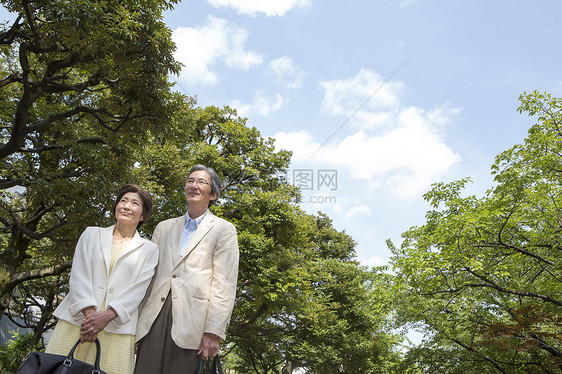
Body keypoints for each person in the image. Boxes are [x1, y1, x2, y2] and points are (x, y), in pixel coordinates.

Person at [134, 164, 239, 374]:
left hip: (193, 323)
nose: (194, 185)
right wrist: (135, 324)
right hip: (153, 317)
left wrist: (213, 332)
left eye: (201, 182)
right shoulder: (164, 227)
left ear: (213, 194)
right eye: (190, 180)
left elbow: (224, 284)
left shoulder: (223, 230)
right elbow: (148, 277)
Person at [45, 184, 159, 374]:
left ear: (143, 216)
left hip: (117, 328)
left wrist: (106, 316)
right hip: (79, 321)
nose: (126, 206)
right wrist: (91, 316)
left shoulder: (149, 249)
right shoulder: (91, 234)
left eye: (134, 203)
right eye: (123, 201)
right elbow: (78, 275)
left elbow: (138, 290)